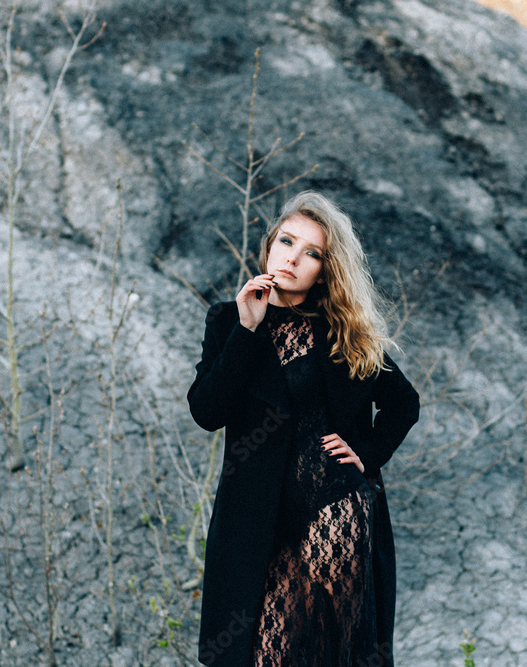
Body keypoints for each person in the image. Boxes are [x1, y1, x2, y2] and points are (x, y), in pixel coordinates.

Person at [187, 191, 420, 667]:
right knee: (261, 653)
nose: (293, 258)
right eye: (287, 241)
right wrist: (247, 331)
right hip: (257, 522)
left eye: (311, 252)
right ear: (270, 245)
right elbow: (208, 411)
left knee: (322, 651)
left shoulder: (343, 330)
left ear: (324, 270)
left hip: (332, 511)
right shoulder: (229, 321)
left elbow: (404, 403)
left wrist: (366, 453)